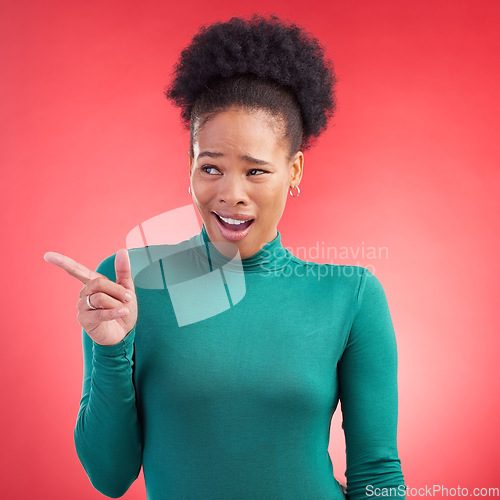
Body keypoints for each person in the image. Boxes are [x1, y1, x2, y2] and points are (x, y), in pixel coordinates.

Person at [44, 14, 406, 499]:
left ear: (294, 171)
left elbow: (378, 475)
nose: (231, 193)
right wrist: (113, 351)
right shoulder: (129, 285)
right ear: (190, 166)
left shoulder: (351, 295)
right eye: (210, 167)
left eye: (256, 172)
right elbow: (111, 478)